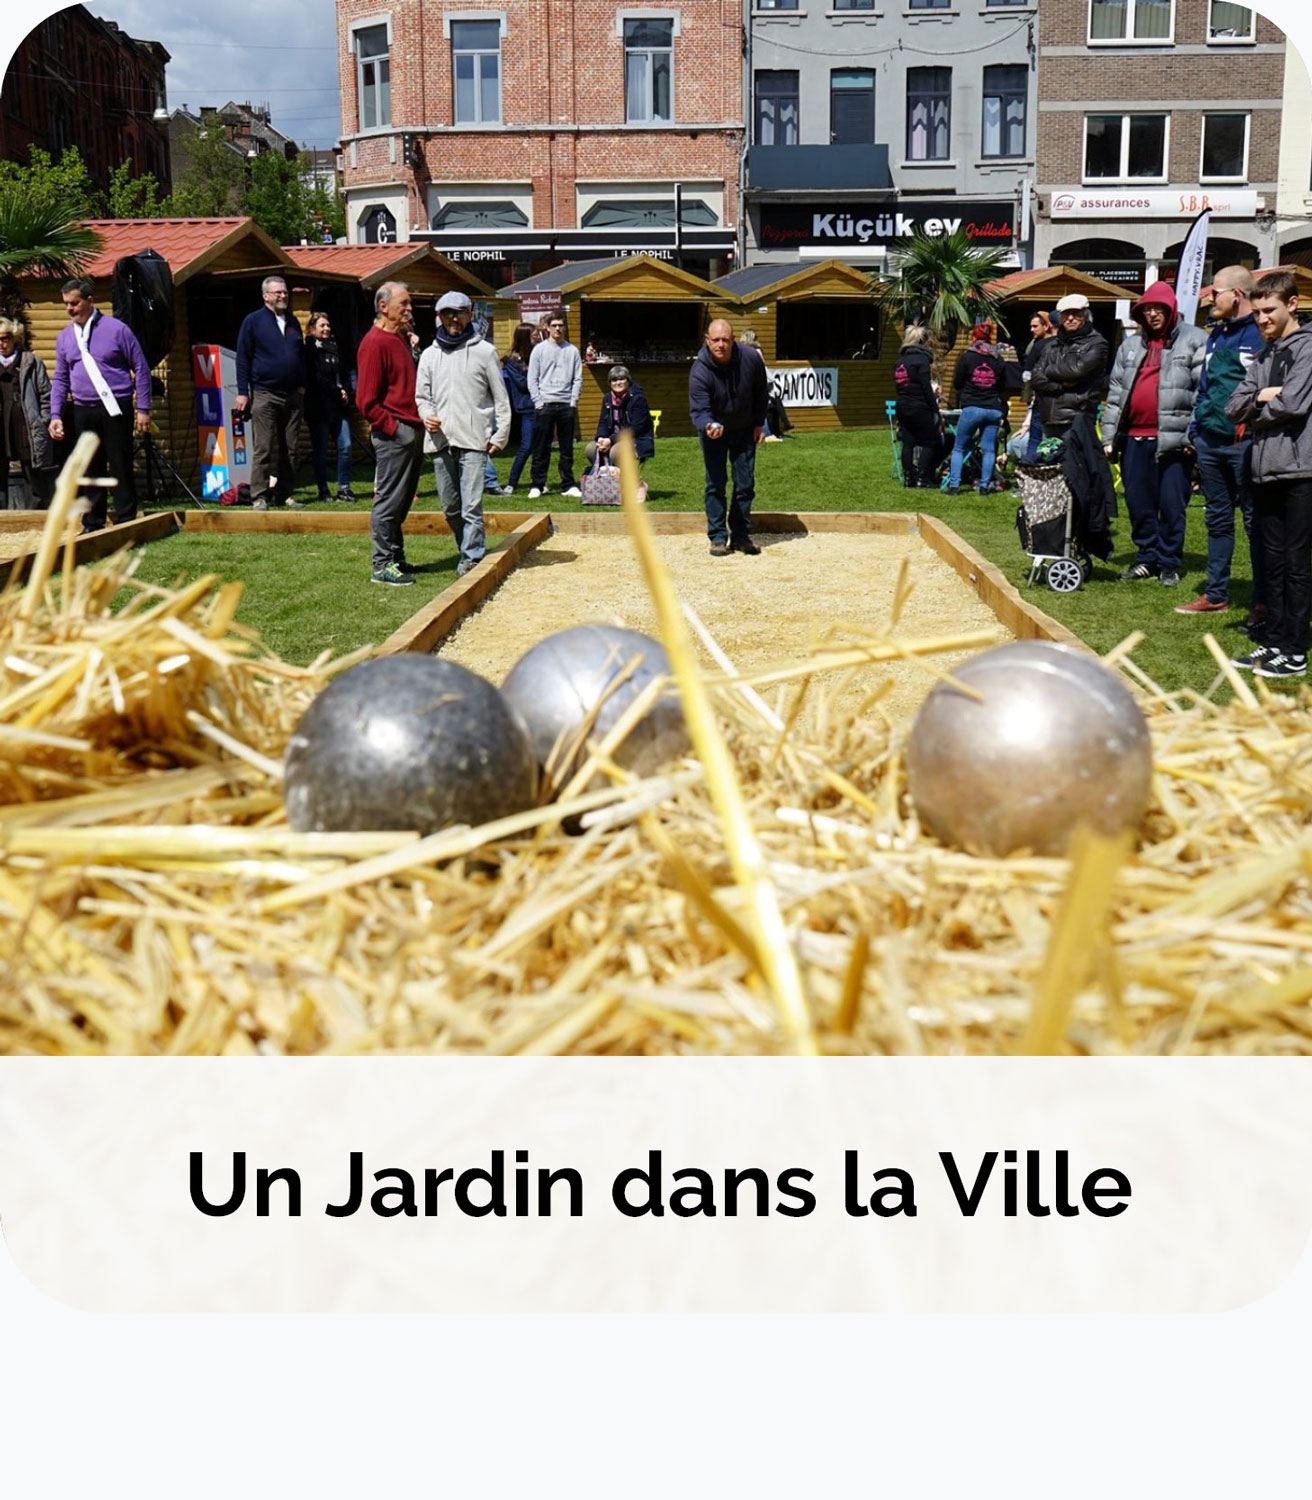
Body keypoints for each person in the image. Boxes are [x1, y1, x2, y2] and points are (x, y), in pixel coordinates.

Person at [1226, 270, 1312, 680]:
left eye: (1269, 311)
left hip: (1301, 470)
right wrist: (1262, 395)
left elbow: (1293, 403)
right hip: (1265, 471)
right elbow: (1232, 407)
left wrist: (1256, 410)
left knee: (1296, 563)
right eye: (1257, 312)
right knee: (1272, 561)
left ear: (1292, 305)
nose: (1261, 319)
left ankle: (1295, 651)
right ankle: (1274, 642)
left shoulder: (1308, 348)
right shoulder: (1264, 356)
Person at [1175, 267, 1267, 621]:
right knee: (1217, 520)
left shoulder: (1260, 334)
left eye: (1215, 292)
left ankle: (1262, 601)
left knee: (1255, 523)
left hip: (1247, 444)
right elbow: (1206, 386)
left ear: (1236, 295)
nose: (1210, 298)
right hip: (1210, 442)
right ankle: (1216, 594)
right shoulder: (1215, 334)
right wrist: (1196, 429)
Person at [1101, 281, 1206, 589]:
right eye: (1147, 309)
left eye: (1159, 308)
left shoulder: (1195, 340)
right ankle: (1147, 557)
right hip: (1134, 438)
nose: (1153, 314)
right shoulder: (1130, 345)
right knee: (1139, 503)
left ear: (1171, 310)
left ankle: (1169, 563)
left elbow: (1202, 393)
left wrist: (1192, 436)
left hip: (1174, 441)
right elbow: (1115, 394)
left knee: (1172, 505)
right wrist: (1109, 437)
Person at [416, 290, 511, 579]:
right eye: (448, 313)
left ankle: (472, 559)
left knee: (471, 506)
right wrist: (426, 415)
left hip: (474, 439)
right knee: (450, 507)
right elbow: (422, 397)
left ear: (470, 315)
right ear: (439, 317)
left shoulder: (485, 352)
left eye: (459, 313)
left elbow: (501, 399)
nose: (454, 319)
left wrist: (500, 435)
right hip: (440, 440)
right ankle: (466, 549)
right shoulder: (429, 355)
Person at [47, 278, 151, 531]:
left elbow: (141, 368)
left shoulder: (117, 330)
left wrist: (143, 408)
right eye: (66, 304)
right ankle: (93, 522)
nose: (70, 308)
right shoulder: (65, 337)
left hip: (115, 406)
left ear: (90, 300)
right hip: (83, 409)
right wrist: (55, 414)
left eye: (75, 303)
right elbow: (61, 378)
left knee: (120, 464)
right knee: (90, 466)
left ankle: (126, 520)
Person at [355, 281, 424, 586]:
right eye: (403, 303)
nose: (409, 308)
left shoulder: (399, 339)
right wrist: (395, 429)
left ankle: (395, 556)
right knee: (389, 501)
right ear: (383, 306)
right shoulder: (374, 343)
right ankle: (382, 565)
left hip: (410, 429)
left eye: (409, 303)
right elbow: (365, 401)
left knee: (402, 500)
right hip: (394, 433)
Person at [688, 317, 767, 557]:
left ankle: (741, 536)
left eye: (725, 340)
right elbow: (699, 409)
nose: (721, 345)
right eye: (716, 340)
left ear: (733, 340)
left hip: (744, 429)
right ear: (707, 340)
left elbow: (761, 392)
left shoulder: (751, 359)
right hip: (714, 432)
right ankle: (718, 537)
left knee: (745, 484)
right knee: (716, 483)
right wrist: (708, 425)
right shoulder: (700, 371)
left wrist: (759, 423)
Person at [233, 275, 305, 511]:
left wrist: (302, 385)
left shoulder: (293, 322)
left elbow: (301, 355)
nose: (283, 296)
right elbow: (243, 358)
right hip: (265, 393)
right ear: (266, 296)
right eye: (278, 292)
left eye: (285, 292)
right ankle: (259, 496)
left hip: (293, 394)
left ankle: (285, 494)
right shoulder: (253, 321)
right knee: (263, 447)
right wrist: (243, 392)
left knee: (291, 448)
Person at [1030, 293, 1108, 440]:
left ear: (1085, 315)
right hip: (1049, 420)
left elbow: (1077, 371)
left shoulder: (1096, 343)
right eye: (1066, 314)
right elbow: (1035, 378)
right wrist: (1059, 385)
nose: (1071, 318)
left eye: (1076, 313)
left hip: (1077, 419)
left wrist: (1048, 370)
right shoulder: (1051, 346)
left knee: (1075, 456)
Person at [947, 320, 1008, 495]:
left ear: (974, 337)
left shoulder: (967, 357)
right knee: (989, 450)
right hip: (993, 408)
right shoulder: (998, 358)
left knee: (959, 447)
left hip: (972, 407)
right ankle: (984, 487)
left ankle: (954, 486)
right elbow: (1002, 386)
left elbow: (957, 383)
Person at [0, 318, 56, 508]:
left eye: (5, 338)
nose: (1, 344)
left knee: (33, 475)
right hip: (2, 425)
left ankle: (36, 516)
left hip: (26, 426)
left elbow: (46, 395)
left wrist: (43, 420)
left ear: (15, 338)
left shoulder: (31, 362)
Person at [527, 312, 582, 499]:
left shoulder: (572, 351)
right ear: (548, 328)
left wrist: (573, 402)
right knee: (541, 448)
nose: (558, 329)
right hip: (545, 404)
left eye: (561, 325)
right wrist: (538, 402)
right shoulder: (539, 350)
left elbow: (577, 378)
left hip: (566, 404)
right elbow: (532, 378)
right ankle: (538, 484)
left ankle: (568, 484)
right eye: (554, 325)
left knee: (566, 448)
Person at [303, 312, 354, 503]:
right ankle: (323, 490)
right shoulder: (309, 349)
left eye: (328, 325)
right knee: (321, 450)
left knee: (346, 446)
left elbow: (346, 372)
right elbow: (316, 377)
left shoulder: (336, 347)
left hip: (339, 407)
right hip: (320, 407)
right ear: (312, 329)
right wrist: (337, 391)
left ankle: (344, 488)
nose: (326, 329)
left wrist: (347, 391)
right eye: (322, 326)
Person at [892, 325, 946, 489]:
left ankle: (909, 477)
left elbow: (899, 386)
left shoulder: (899, 362)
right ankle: (923, 477)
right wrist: (935, 408)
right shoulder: (922, 361)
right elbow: (926, 387)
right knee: (929, 441)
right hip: (919, 406)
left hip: (902, 405)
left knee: (908, 442)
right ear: (922, 341)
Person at [585, 365, 654, 470]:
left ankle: (622, 477)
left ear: (628, 381)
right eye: (614, 380)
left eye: (622, 379)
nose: (618, 383)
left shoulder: (638, 398)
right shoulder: (607, 398)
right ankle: (605, 476)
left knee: (616, 452)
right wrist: (601, 437)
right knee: (591, 449)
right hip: (613, 438)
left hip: (637, 439)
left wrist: (611, 440)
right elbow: (603, 422)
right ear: (609, 383)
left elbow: (637, 428)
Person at [1021, 311, 1057, 461]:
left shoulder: (1038, 346)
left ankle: (1030, 467)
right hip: (1061, 400)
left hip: (1042, 399)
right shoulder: (1067, 345)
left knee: (1036, 438)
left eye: (1035, 326)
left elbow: (1027, 375)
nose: (1032, 330)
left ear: (1047, 326)